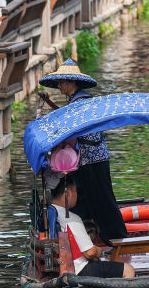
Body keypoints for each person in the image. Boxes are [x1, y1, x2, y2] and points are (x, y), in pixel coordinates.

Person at [38, 60, 129, 243]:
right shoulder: (78, 100)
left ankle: (117, 237)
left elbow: (68, 124)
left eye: (62, 82)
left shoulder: (81, 101)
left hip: (93, 159)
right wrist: (48, 102)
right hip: (86, 159)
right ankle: (85, 236)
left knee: (102, 199)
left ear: (71, 82)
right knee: (85, 199)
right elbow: (68, 119)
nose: (60, 85)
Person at [49, 175, 134, 278]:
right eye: (76, 191)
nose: (77, 195)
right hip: (79, 270)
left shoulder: (49, 213)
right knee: (128, 270)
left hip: (61, 267)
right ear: (68, 194)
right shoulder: (70, 218)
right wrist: (99, 251)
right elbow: (90, 252)